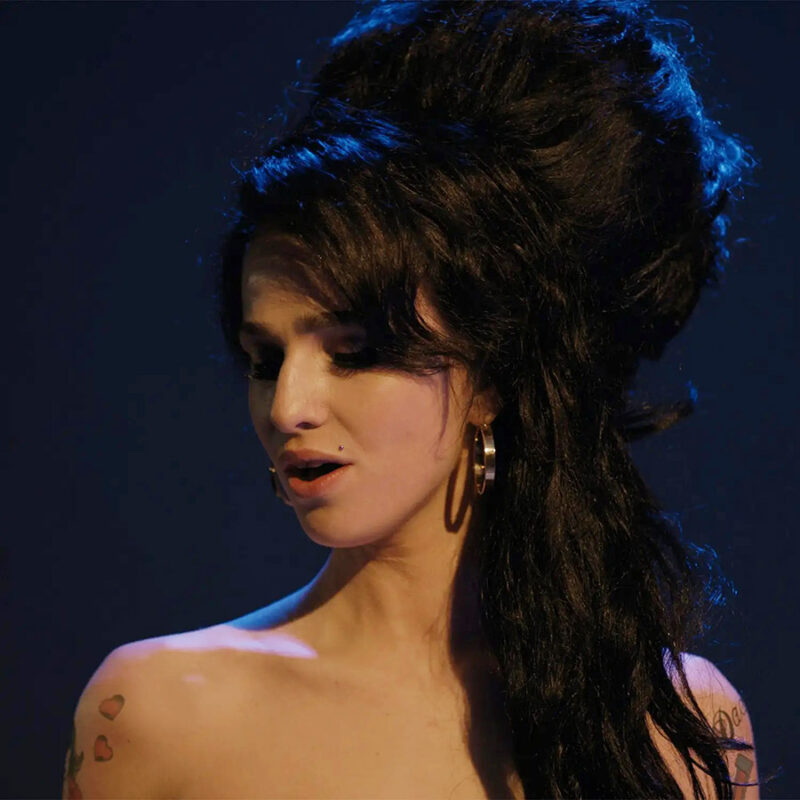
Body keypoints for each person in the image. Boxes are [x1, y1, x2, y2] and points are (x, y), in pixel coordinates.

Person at [63, 1, 761, 797]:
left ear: (491, 376)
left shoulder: (681, 723)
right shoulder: (158, 713)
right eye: (265, 360)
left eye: (355, 354)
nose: (287, 407)